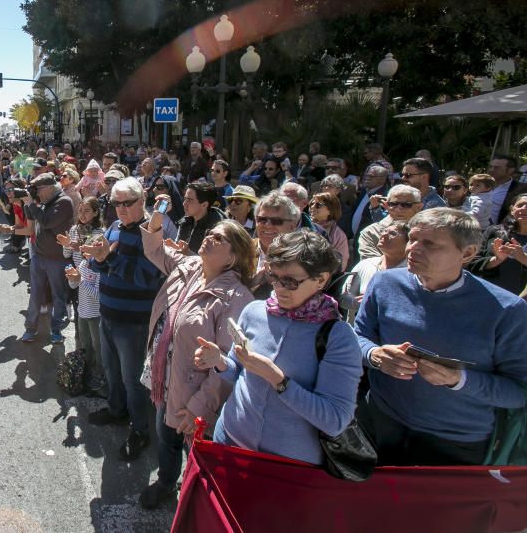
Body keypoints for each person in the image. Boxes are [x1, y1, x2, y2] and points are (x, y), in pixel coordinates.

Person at [355, 208, 527, 465]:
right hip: (380, 422)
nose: (413, 249)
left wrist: (459, 379)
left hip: (454, 443)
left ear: (467, 253)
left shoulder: (507, 310)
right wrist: (373, 354)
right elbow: (357, 337)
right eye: (412, 239)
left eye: (430, 244)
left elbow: (518, 391)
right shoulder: (385, 284)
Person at [194, 231, 362, 466]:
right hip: (228, 440)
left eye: (291, 282)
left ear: (321, 279)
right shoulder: (254, 311)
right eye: (274, 277)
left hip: (286, 467)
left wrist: (278, 380)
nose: (279, 288)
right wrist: (219, 361)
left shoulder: (338, 337)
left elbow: (335, 420)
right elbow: (238, 371)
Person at [138, 217, 255, 509]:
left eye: (219, 238)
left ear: (233, 257)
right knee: (165, 436)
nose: (209, 237)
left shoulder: (237, 298)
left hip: (197, 394)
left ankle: (192, 498)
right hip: (165, 378)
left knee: (196, 451)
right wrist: (153, 226)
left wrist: (200, 406)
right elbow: (155, 251)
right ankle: (166, 482)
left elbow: (229, 365)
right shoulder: (190, 267)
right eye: (210, 233)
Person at [83, 177, 165, 461]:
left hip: (134, 321)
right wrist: (98, 257)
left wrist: (110, 259)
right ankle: (117, 411)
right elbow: (99, 263)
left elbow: (148, 277)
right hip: (108, 313)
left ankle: (140, 430)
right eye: (116, 203)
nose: (121, 208)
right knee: (111, 369)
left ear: (142, 202)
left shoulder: (152, 233)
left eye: (127, 203)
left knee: (133, 380)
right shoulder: (114, 228)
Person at [60, 197, 107, 396]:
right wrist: (67, 245)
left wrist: (81, 277)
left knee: (98, 344)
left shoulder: (100, 235)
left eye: (87, 211)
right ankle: (85, 374)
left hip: (90, 283)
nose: (83, 215)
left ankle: (102, 378)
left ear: (96, 213)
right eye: (80, 210)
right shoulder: (74, 230)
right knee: (83, 338)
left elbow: (97, 288)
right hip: (81, 283)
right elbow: (66, 255)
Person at [20, 173, 75, 344]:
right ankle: (30, 328)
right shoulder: (44, 202)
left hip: (57, 259)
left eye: (39, 189)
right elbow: (32, 218)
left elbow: (46, 222)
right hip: (39, 256)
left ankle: (56, 329)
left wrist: (31, 203)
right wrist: (27, 203)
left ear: (50, 188)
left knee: (58, 295)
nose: (37, 193)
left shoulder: (64, 202)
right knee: (35, 294)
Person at [341, 221, 408, 320]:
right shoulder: (365, 265)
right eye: (384, 231)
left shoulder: (412, 272)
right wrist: (356, 303)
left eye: (393, 233)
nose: (384, 235)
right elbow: (343, 297)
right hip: (358, 332)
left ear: (408, 243)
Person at [469, 193, 527, 296]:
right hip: (483, 292)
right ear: (512, 209)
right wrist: (497, 259)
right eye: (520, 205)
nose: (524, 209)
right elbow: (472, 262)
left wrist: (522, 258)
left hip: (517, 301)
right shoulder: (495, 231)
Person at [248, 192, 301, 299]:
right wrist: (249, 284)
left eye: (277, 221)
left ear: (293, 225)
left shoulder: (303, 256)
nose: (267, 225)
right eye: (262, 220)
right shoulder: (240, 250)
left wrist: (279, 284)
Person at [357, 184, 423, 259]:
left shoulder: (428, 231)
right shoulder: (372, 232)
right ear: (386, 205)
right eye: (393, 204)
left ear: (419, 207)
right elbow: (370, 263)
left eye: (406, 205)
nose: (398, 209)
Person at [174, 182, 226, 254]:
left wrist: (188, 253)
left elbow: (214, 261)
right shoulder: (185, 221)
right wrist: (173, 247)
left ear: (204, 204)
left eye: (189, 200)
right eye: (185, 199)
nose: (184, 203)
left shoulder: (217, 230)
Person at [307, 191, 349, 270]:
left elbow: (341, 264)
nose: (312, 207)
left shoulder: (338, 235)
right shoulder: (304, 224)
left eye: (318, 205)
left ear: (330, 209)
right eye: (311, 204)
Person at [488, 155, 527, 225]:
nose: (491, 170)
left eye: (496, 168)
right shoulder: (479, 183)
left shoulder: (520, 190)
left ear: (510, 170)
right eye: (491, 167)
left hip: (498, 232)